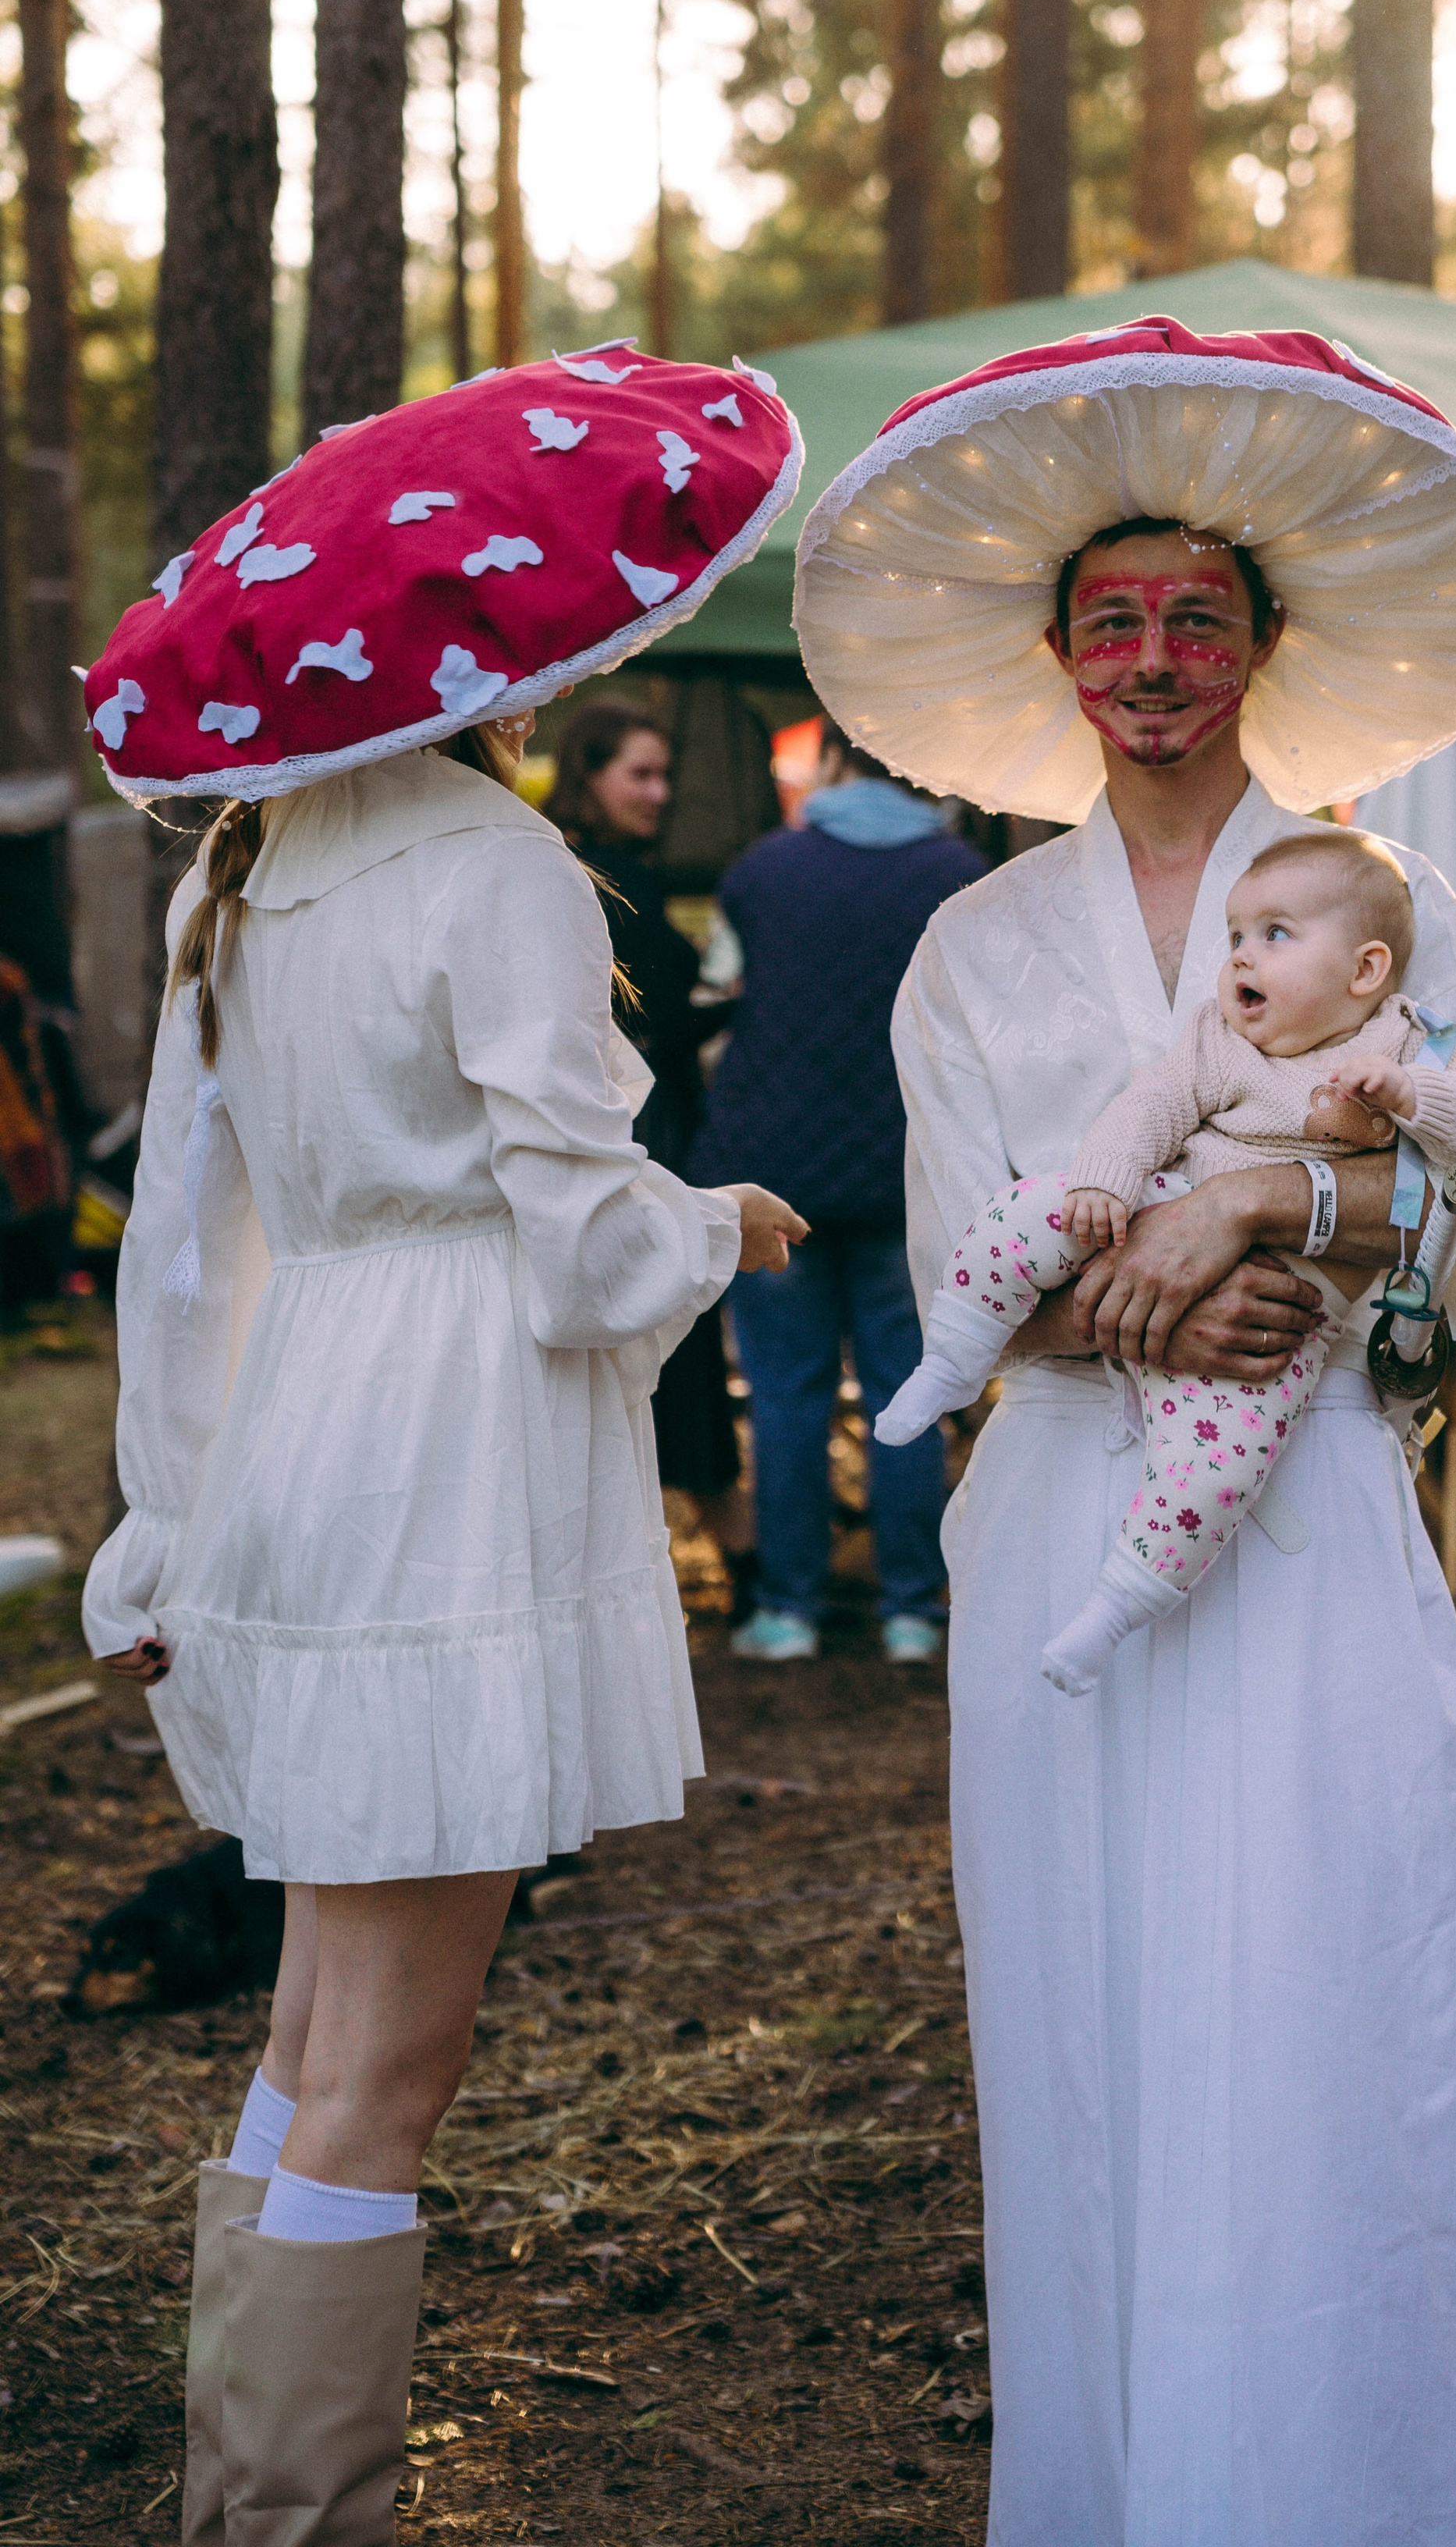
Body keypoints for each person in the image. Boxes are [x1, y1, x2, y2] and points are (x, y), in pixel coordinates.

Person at [795, 315, 1456, 2542]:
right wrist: (1152, 1289)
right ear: (1060, 656)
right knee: (1095, 2024)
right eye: (1116, 623)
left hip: (1315, 1516)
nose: (1156, 660)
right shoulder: (969, 947)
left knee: (1332, 1987)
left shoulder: (1375, 903)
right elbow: (969, 1249)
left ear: (1259, 648)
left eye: (1198, 621)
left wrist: (1277, 1196)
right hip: (1061, 1530)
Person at [76, 344, 806, 2543]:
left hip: (308, 1426)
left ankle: (243, 2507)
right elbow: (590, 1251)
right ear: (523, 643)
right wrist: (729, 1220)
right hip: (454, 1445)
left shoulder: (240, 871)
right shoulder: (500, 865)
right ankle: (289, 2523)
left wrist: (161, 1521)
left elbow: (182, 1254)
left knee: (316, 2034)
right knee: (386, 2070)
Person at [879, 820, 1456, 1693]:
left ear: (1366, 972)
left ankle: (1117, 1604)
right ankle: (951, 1358)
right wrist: (1104, 1190)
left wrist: (1411, 1100)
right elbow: (1150, 1109)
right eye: (1235, 939)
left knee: (1214, 1478)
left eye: (1272, 937)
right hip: (1122, 1273)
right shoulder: (1214, 1036)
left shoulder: (1406, 1041)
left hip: (1282, 1341)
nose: (1242, 959)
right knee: (1023, 1214)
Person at [690, 721, 986, 1664]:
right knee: (908, 1389)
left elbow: (719, 989)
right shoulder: (961, 878)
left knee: (784, 1393)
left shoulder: (761, 870)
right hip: (908, 1173)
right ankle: (910, 1611)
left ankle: (788, 1608)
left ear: (832, 764)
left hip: (774, 1173)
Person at [548, 694, 746, 1533]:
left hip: (641, 1127)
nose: (660, 793)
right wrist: (730, 1003)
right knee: (673, 1328)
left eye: (664, 775)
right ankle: (734, 1548)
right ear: (587, 777)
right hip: (643, 1135)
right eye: (641, 774)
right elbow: (652, 1016)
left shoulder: (596, 867)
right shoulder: (596, 877)